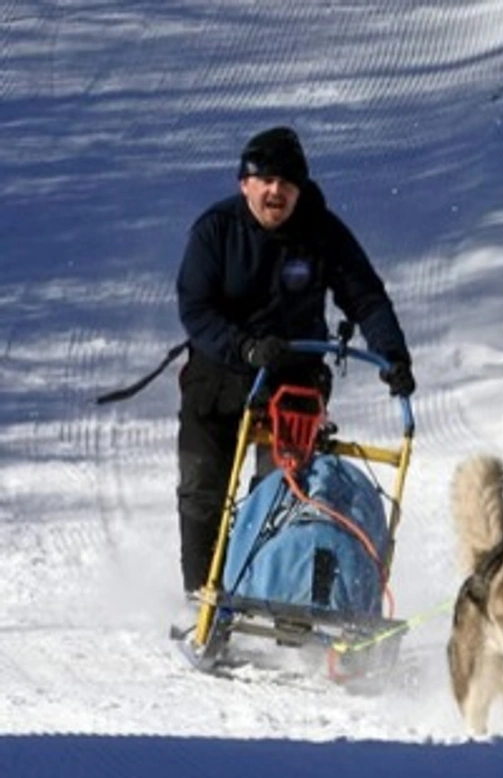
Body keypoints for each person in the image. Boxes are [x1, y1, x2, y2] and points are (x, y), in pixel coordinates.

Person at [175, 125, 415, 598]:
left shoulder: (322, 232)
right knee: (204, 491)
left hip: (293, 380)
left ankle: (271, 593)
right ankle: (202, 594)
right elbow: (195, 309)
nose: (275, 191)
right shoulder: (215, 231)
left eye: (286, 182)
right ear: (245, 183)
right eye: (264, 179)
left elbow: (366, 298)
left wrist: (393, 356)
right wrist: (243, 346)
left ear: (299, 190)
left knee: (282, 494)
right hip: (220, 375)